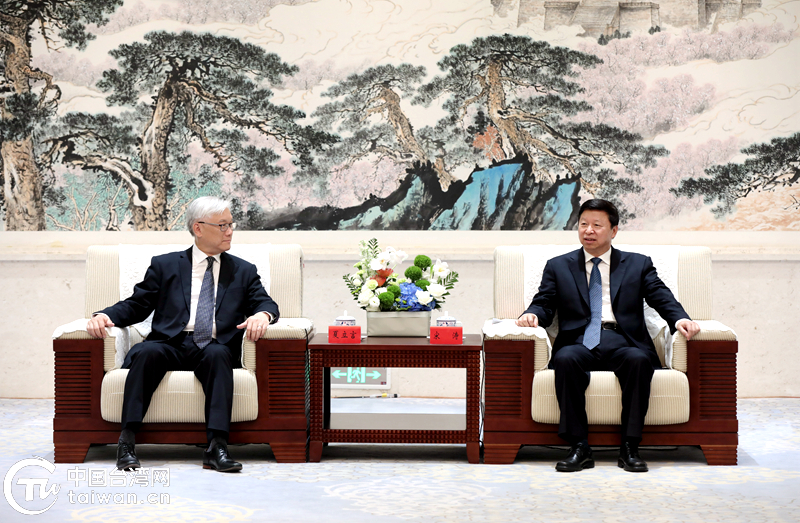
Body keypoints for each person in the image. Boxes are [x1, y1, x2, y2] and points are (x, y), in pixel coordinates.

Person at [87, 196, 279, 473]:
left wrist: (263, 315)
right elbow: (137, 304)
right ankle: (126, 442)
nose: (229, 231)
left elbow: (265, 303)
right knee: (146, 352)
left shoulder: (243, 270)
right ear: (198, 228)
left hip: (214, 344)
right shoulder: (165, 265)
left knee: (218, 355)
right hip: (170, 343)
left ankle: (217, 447)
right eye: (222, 225)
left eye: (230, 224)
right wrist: (104, 315)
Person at [516, 199, 700, 473]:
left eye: (597, 225)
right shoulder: (558, 266)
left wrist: (679, 318)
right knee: (565, 359)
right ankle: (579, 446)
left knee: (638, 361)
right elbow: (544, 302)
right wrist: (532, 314)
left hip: (622, 339)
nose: (588, 230)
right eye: (583, 224)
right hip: (579, 340)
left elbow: (660, 296)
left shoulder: (637, 264)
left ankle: (630, 447)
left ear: (613, 231)